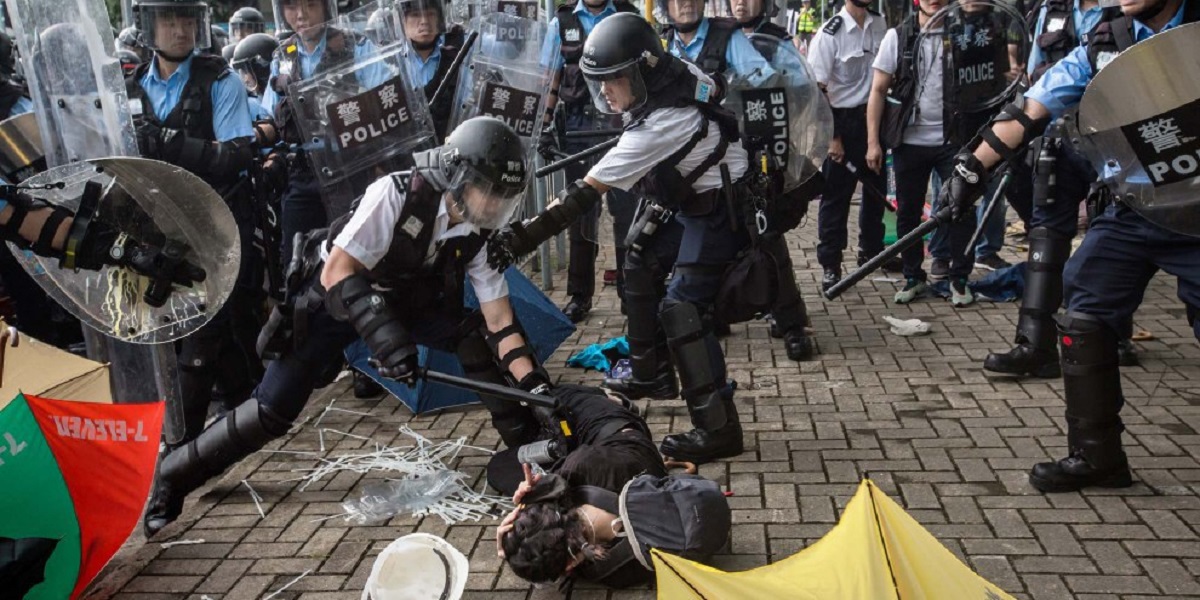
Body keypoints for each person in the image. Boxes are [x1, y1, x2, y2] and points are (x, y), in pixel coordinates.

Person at [143, 117, 555, 535]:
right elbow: (338, 271)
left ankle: (529, 448)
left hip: (405, 298)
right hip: (334, 300)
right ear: (458, 174)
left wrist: (536, 388)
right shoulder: (395, 194)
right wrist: (387, 341)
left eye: (504, 197)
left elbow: (500, 321)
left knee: (473, 339)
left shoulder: (478, 231)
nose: (494, 206)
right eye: (490, 191)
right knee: (272, 410)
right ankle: (173, 477)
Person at [938, 0, 1199, 493]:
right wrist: (972, 168)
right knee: (1084, 300)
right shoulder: (1107, 38)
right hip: (1139, 205)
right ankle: (1097, 456)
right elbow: (1036, 104)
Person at [487, 14, 750, 464]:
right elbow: (714, 88)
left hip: (723, 208)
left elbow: (583, 194)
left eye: (614, 80)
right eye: (598, 82)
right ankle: (652, 373)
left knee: (683, 308)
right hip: (693, 197)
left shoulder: (663, 122)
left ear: (642, 72)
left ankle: (719, 429)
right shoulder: (675, 72)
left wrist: (517, 239)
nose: (605, 92)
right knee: (639, 255)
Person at [126, 0, 264, 447]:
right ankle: (245, 411)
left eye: (187, 20)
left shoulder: (220, 80)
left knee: (211, 328)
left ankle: (182, 443)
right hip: (157, 227)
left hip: (215, 220)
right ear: (150, 26)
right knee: (176, 327)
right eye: (169, 20)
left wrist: (170, 142)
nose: (180, 30)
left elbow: (236, 156)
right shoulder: (127, 88)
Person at [865, 0, 982, 307]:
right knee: (908, 212)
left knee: (962, 208)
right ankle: (913, 276)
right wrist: (873, 142)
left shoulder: (965, 35)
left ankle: (959, 279)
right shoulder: (898, 36)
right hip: (909, 141)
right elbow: (877, 89)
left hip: (953, 141)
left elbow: (985, 82)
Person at [496, 384, 668, 587]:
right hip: (615, 428)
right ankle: (615, 400)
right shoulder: (581, 467)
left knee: (500, 467)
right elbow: (558, 485)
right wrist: (531, 500)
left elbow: (559, 556)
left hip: (636, 461)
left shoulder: (615, 574)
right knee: (562, 395)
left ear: (569, 567)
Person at [725, 0, 818, 361]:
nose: (741, 2)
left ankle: (791, 320)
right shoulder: (715, 39)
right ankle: (716, 312)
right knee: (716, 238)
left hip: (765, 157)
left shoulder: (779, 42)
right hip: (719, 159)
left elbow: (800, 91)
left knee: (767, 236)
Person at [808, 0, 891, 291]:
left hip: (873, 118)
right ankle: (830, 263)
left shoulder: (880, 24)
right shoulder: (829, 35)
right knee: (835, 198)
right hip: (840, 121)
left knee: (875, 190)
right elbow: (816, 90)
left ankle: (870, 251)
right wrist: (833, 137)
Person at [398, 0, 464, 140]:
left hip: (447, 150)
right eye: (415, 15)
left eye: (430, 14)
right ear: (403, 22)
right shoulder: (391, 64)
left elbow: (467, 107)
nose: (424, 21)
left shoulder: (457, 60)